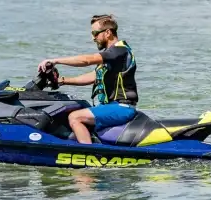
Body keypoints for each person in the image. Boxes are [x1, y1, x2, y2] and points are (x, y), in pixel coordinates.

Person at [37, 14, 138, 144]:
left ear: (107, 33)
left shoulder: (120, 51)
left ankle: (89, 155)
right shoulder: (112, 56)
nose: (93, 38)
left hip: (122, 107)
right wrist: (62, 80)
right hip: (112, 106)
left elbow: (86, 60)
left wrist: (55, 60)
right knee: (76, 109)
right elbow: (93, 76)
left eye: (95, 34)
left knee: (75, 117)